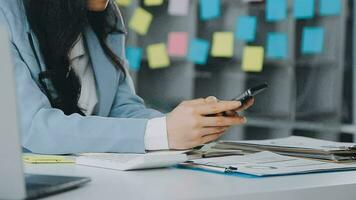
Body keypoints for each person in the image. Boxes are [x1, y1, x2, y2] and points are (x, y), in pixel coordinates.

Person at [0, 0, 254, 154]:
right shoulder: (6, 16)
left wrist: (188, 124)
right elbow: (34, 128)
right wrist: (160, 132)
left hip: (96, 176)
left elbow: (123, 108)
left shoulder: (106, 17)